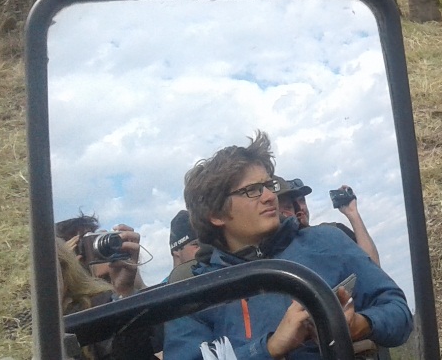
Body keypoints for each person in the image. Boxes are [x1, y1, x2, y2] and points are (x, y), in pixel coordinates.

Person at [163, 131, 412, 360]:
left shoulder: (328, 241)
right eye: (252, 191)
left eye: (268, 185)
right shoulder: (194, 295)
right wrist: (269, 348)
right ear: (215, 214)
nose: (271, 196)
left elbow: (398, 311)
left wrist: (360, 324)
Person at [274, 176, 381, 266]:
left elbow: (373, 269)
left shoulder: (334, 232)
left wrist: (352, 214)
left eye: (302, 200)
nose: (300, 208)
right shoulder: (275, 258)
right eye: (289, 205)